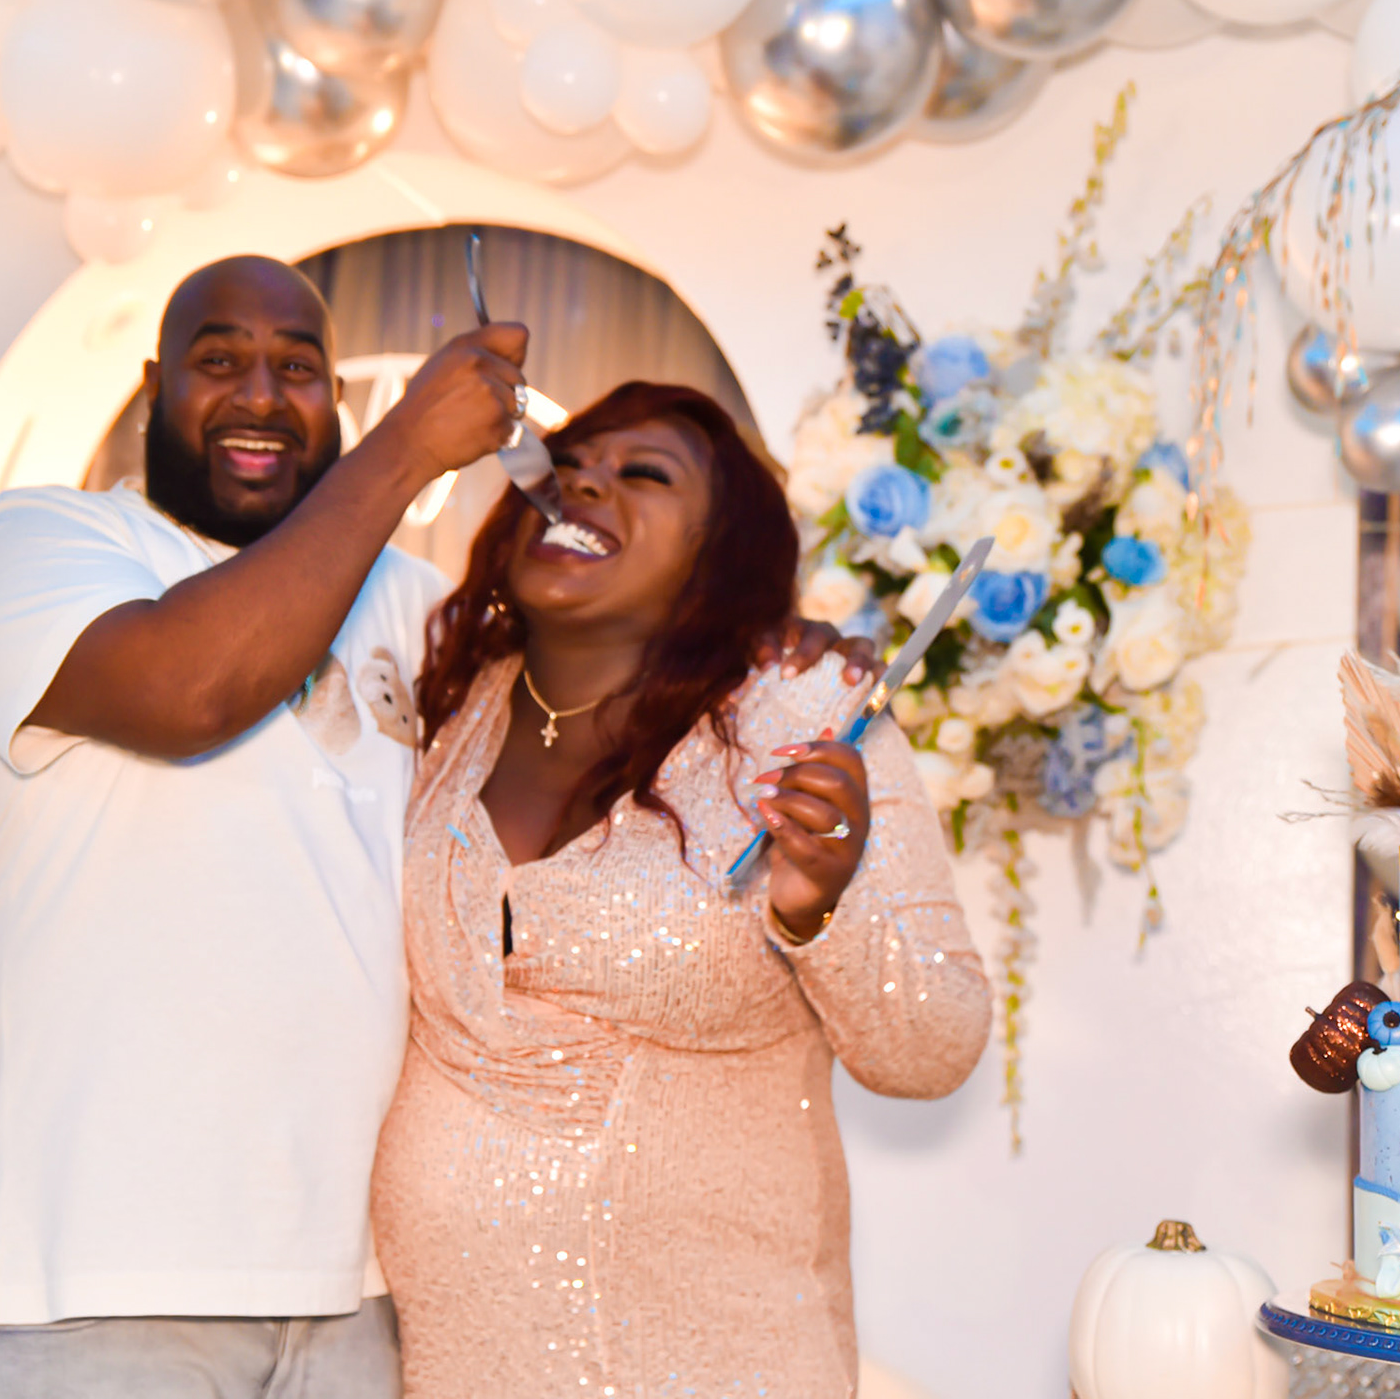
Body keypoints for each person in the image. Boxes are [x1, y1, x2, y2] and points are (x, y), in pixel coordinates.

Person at [0, 256, 866, 1399]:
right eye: (219, 360)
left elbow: (613, 655)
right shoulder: (37, 546)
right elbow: (189, 692)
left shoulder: (411, 605)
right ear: (153, 385)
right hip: (84, 1279)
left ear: (335, 401)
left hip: (352, 1296)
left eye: (297, 369)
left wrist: (775, 646)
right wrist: (409, 447)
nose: (260, 394)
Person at [372, 382, 993, 1397]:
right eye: (570, 464)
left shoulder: (807, 712)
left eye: (644, 474)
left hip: (723, 1364)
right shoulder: (449, 704)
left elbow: (935, 1047)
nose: (584, 483)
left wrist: (817, 906)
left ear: (718, 552)